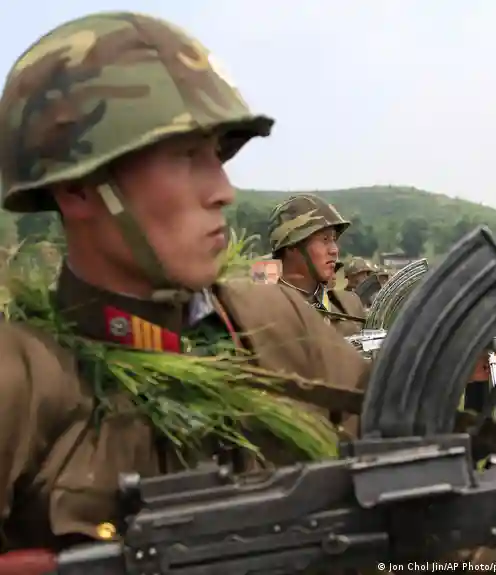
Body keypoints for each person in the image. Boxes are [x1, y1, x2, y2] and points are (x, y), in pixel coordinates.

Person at [0, 12, 369, 559]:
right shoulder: (21, 382)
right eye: (184, 157)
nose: (223, 190)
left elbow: (411, 478)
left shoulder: (277, 323)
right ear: (78, 189)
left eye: (216, 155)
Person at [268, 194, 365, 336]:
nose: (334, 250)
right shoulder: (264, 313)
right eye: (325, 239)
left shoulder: (350, 305)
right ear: (292, 247)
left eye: (334, 239)